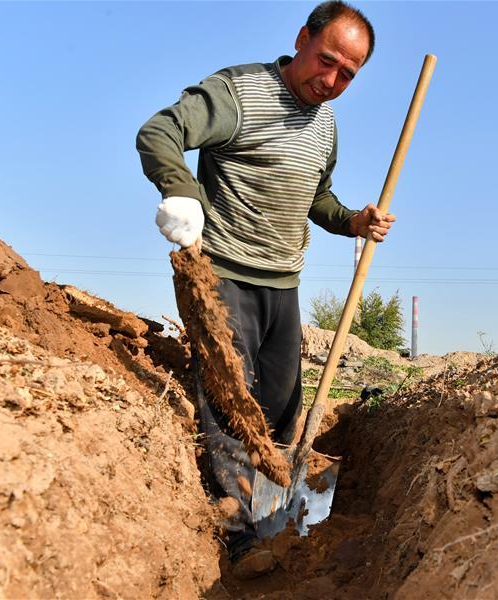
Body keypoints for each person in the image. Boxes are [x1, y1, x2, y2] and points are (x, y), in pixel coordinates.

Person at [136, 0, 394, 579]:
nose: (331, 80)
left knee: (279, 407)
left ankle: (275, 516)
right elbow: (160, 131)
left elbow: (317, 196)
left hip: (283, 282)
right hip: (223, 276)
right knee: (234, 406)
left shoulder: (325, 124)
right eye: (326, 61)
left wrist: (353, 220)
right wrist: (180, 190)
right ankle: (239, 538)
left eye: (347, 74)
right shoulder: (239, 93)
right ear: (302, 39)